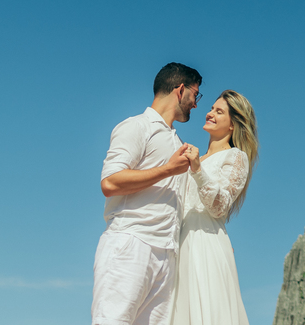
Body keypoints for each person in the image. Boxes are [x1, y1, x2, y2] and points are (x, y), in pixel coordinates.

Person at [94, 63, 202, 325]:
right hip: (131, 244)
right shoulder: (136, 126)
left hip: (167, 254)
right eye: (195, 95)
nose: (196, 105)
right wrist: (167, 170)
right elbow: (110, 182)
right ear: (180, 90)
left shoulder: (177, 142)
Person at [171, 90, 259, 325]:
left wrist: (198, 170)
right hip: (179, 242)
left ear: (233, 125)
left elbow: (219, 207)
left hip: (204, 244)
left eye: (219, 112)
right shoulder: (194, 157)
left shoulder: (236, 157)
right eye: (211, 108)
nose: (209, 113)